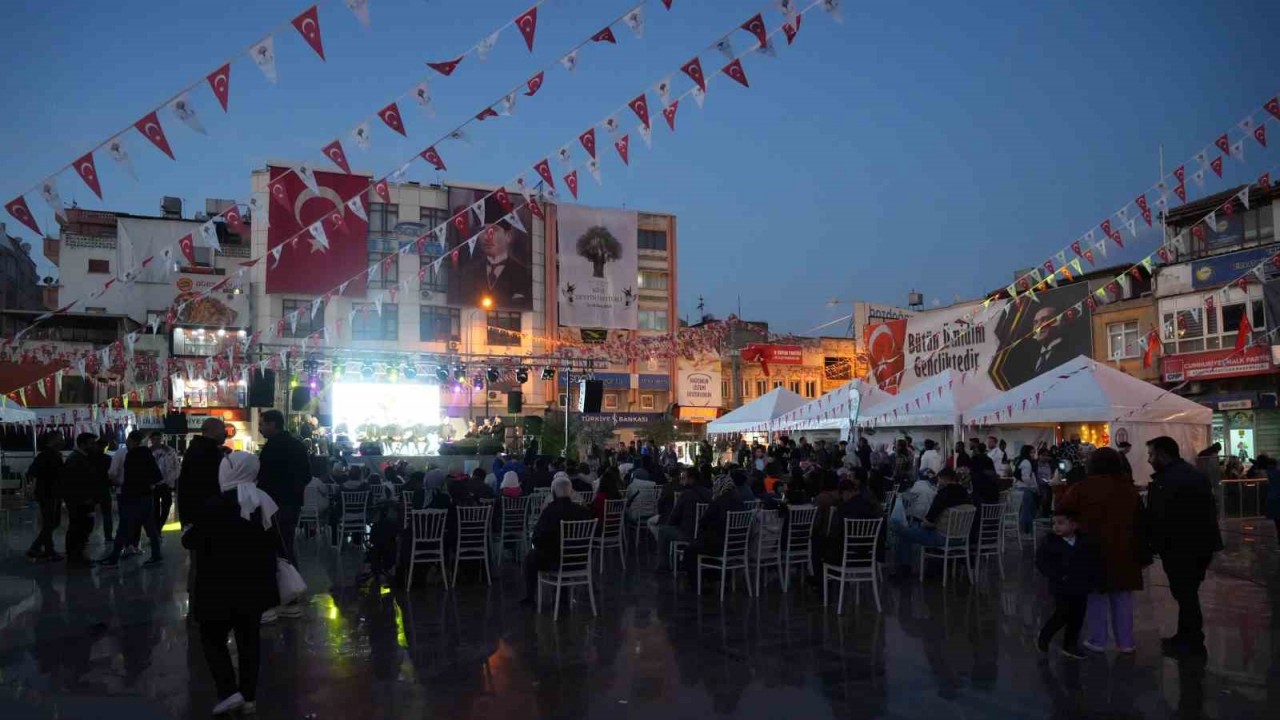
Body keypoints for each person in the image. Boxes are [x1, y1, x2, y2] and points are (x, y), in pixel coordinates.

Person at [185, 451, 279, 715]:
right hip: (254, 586)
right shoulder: (264, 503)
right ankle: (249, 696)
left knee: (212, 638)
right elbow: (276, 543)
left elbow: (191, 540)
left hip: (217, 586)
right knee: (249, 640)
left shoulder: (215, 504)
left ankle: (228, 690)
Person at [1145, 436, 1222, 659]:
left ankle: (1192, 640)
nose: (1149, 460)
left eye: (1151, 455)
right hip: (1197, 544)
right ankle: (1185, 635)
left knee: (1185, 594)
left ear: (1162, 454)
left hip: (1181, 546)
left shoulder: (1170, 480)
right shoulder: (1191, 474)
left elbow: (1162, 516)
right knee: (1186, 593)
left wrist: (1154, 541)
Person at [1060, 447, 1143, 654]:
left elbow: (1063, 509)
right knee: (1122, 597)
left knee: (1096, 596)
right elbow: (1141, 520)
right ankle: (1126, 642)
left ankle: (1098, 640)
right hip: (1125, 549)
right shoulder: (1129, 489)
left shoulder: (1082, 488)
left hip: (1092, 549)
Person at [1035, 509, 1100, 660]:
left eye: (1061, 523)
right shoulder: (1050, 543)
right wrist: (1056, 575)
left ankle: (1070, 645)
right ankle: (1045, 636)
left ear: (1074, 525)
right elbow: (1041, 562)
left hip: (1081, 586)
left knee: (1077, 617)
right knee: (1062, 614)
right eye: (1054, 523)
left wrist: (1093, 579)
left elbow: (1092, 562)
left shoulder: (1084, 542)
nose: (1056, 526)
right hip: (1061, 586)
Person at [520, 476, 592, 605]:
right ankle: (562, 595)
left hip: (555, 561)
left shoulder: (550, 511)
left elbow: (537, 538)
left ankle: (530, 597)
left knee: (531, 557)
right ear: (571, 492)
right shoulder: (582, 511)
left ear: (553, 493)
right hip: (580, 560)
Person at [100, 430, 164, 567]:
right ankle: (156, 555)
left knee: (124, 527)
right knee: (150, 528)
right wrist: (148, 485)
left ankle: (114, 557)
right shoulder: (147, 454)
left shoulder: (131, 455)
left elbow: (117, 475)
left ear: (131, 441)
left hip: (131, 496)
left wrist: (123, 485)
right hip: (146, 496)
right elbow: (157, 476)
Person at [891, 468, 972, 576]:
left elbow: (929, 521)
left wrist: (922, 524)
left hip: (942, 537)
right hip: (962, 538)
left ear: (942, 479)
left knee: (903, 532)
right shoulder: (965, 493)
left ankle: (904, 569)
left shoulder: (942, 495)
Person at [256, 409, 310, 568]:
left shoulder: (272, 448)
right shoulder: (297, 445)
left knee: (279, 546)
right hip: (292, 502)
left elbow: (264, 476)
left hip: (275, 504)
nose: (260, 428)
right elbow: (306, 475)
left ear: (272, 424)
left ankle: (287, 584)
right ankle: (292, 582)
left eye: (262, 424)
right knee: (287, 543)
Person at [459, 196, 532, 308]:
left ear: (508, 236)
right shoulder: (468, 273)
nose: (488, 237)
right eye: (483, 231)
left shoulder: (524, 274)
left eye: (494, 230)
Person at [655, 467, 712, 572]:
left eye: (684, 478)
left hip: (688, 534)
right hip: (703, 534)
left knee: (663, 531)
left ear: (691, 479)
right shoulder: (709, 493)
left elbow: (674, 516)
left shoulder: (686, 494)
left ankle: (664, 565)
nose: (683, 480)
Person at [684, 476, 745, 571]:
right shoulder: (739, 501)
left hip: (719, 546)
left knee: (690, 550)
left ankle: (695, 582)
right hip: (739, 546)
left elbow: (703, 521)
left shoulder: (718, 501)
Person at [61, 433, 101, 567]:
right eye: (91, 443)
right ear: (83, 445)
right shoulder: (75, 460)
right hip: (80, 502)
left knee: (82, 528)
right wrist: (84, 498)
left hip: (83, 501)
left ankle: (78, 556)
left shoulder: (83, 458)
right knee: (78, 528)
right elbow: (74, 483)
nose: (94, 446)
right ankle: (75, 557)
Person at [26, 432, 66, 561]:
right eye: (60, 439)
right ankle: (43, 549)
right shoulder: (46, 455)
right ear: (53, 440)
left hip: (52, 493)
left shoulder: (53, 455)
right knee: (51, 522)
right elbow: (31, 472)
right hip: (49, 494)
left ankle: (42, 548)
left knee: (52, 522)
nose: (63, 441)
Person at [150, 432, 179, 528]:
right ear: (151, 440)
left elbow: (177, 466)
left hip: (166, 483)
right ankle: (156, 528)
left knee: (167, 504)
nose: (157, 441)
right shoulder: (148, 452)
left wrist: (173, 479)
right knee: (155, 507)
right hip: (153, 484)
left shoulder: (169, 451)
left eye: (159, 439)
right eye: (155, 439)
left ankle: (160, 524)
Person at [1014, 445, 1040, 535]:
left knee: (1024, 510)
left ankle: (1024, 530)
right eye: (1032, 452)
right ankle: (1026, 531)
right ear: (1027, 453)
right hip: (1026, 489)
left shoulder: (1021, 461)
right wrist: (1033, 486)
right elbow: (1026, 478)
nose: (1033, 454)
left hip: (1022, 488)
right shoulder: (1026, 462)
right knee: (1026, 511)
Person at [1258, 455, 1280, 542]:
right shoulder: (1276, 472)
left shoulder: (1268, 472)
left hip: (1272, 499)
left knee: (1277, 523)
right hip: (1277, 498)